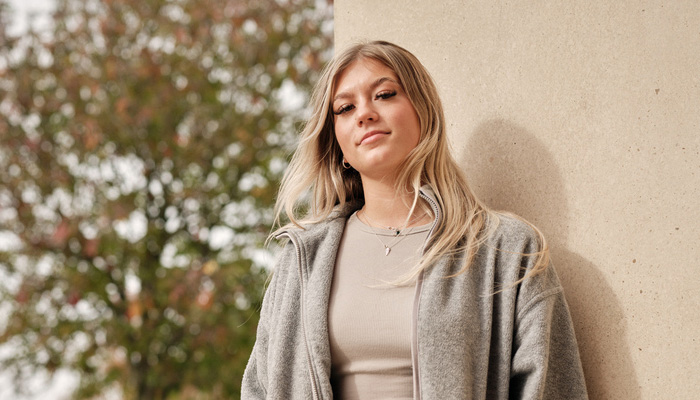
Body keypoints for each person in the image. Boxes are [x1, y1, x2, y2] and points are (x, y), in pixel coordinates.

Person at [241, 40, 588, 400]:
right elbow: (259, 388)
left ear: (423, 110)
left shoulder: (506, 250)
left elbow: (552, 388)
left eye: (385, 94)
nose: (364, 114)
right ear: (337, 141)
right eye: (345, 108)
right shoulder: (301, 261)